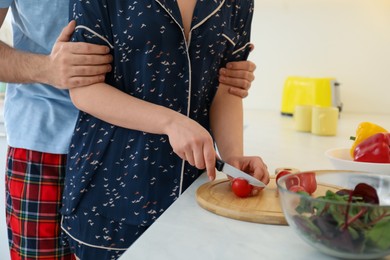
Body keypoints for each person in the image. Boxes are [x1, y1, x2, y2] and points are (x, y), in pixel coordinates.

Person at [0, 2, 258, 260]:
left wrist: (232, 151)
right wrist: (48, 69)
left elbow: (224, 79)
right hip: (46, 138)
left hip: (159, 155)